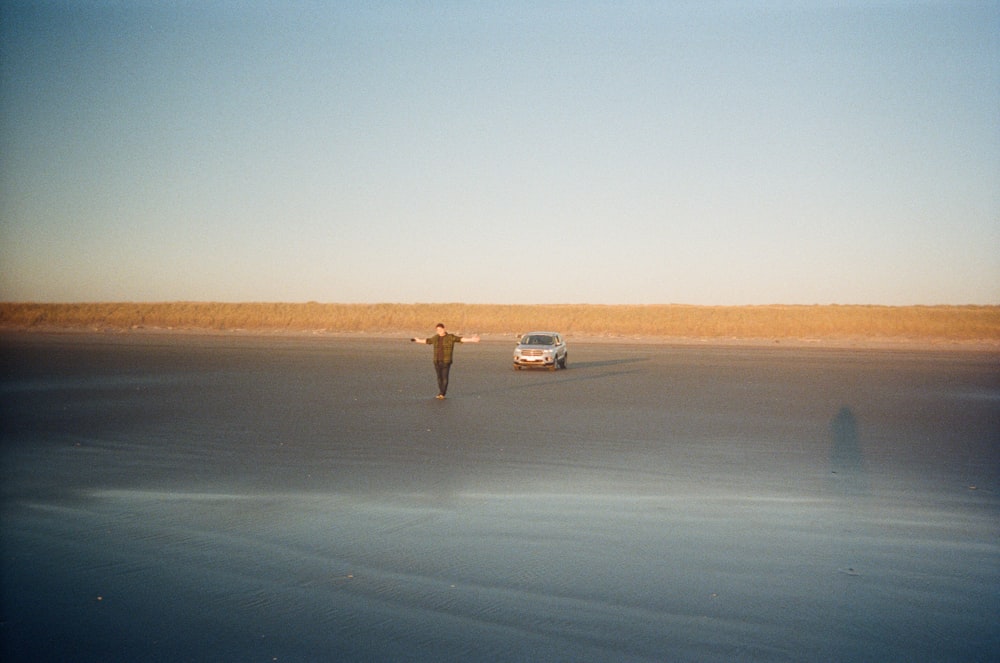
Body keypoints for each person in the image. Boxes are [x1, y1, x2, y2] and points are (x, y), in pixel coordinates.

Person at [411, 323, 480, 399]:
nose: (439, 331)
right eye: (437, 330)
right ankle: (441, 392)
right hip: (437, 361)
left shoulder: (450, 337)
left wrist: (472, 339)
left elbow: (460, 339)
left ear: (444, 329)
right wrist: (417, 340)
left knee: (444, 377)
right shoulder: (436, 337)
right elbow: (428, 341)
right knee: (439, 377)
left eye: (440, 329)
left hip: (446, 361)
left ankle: (442, 393)